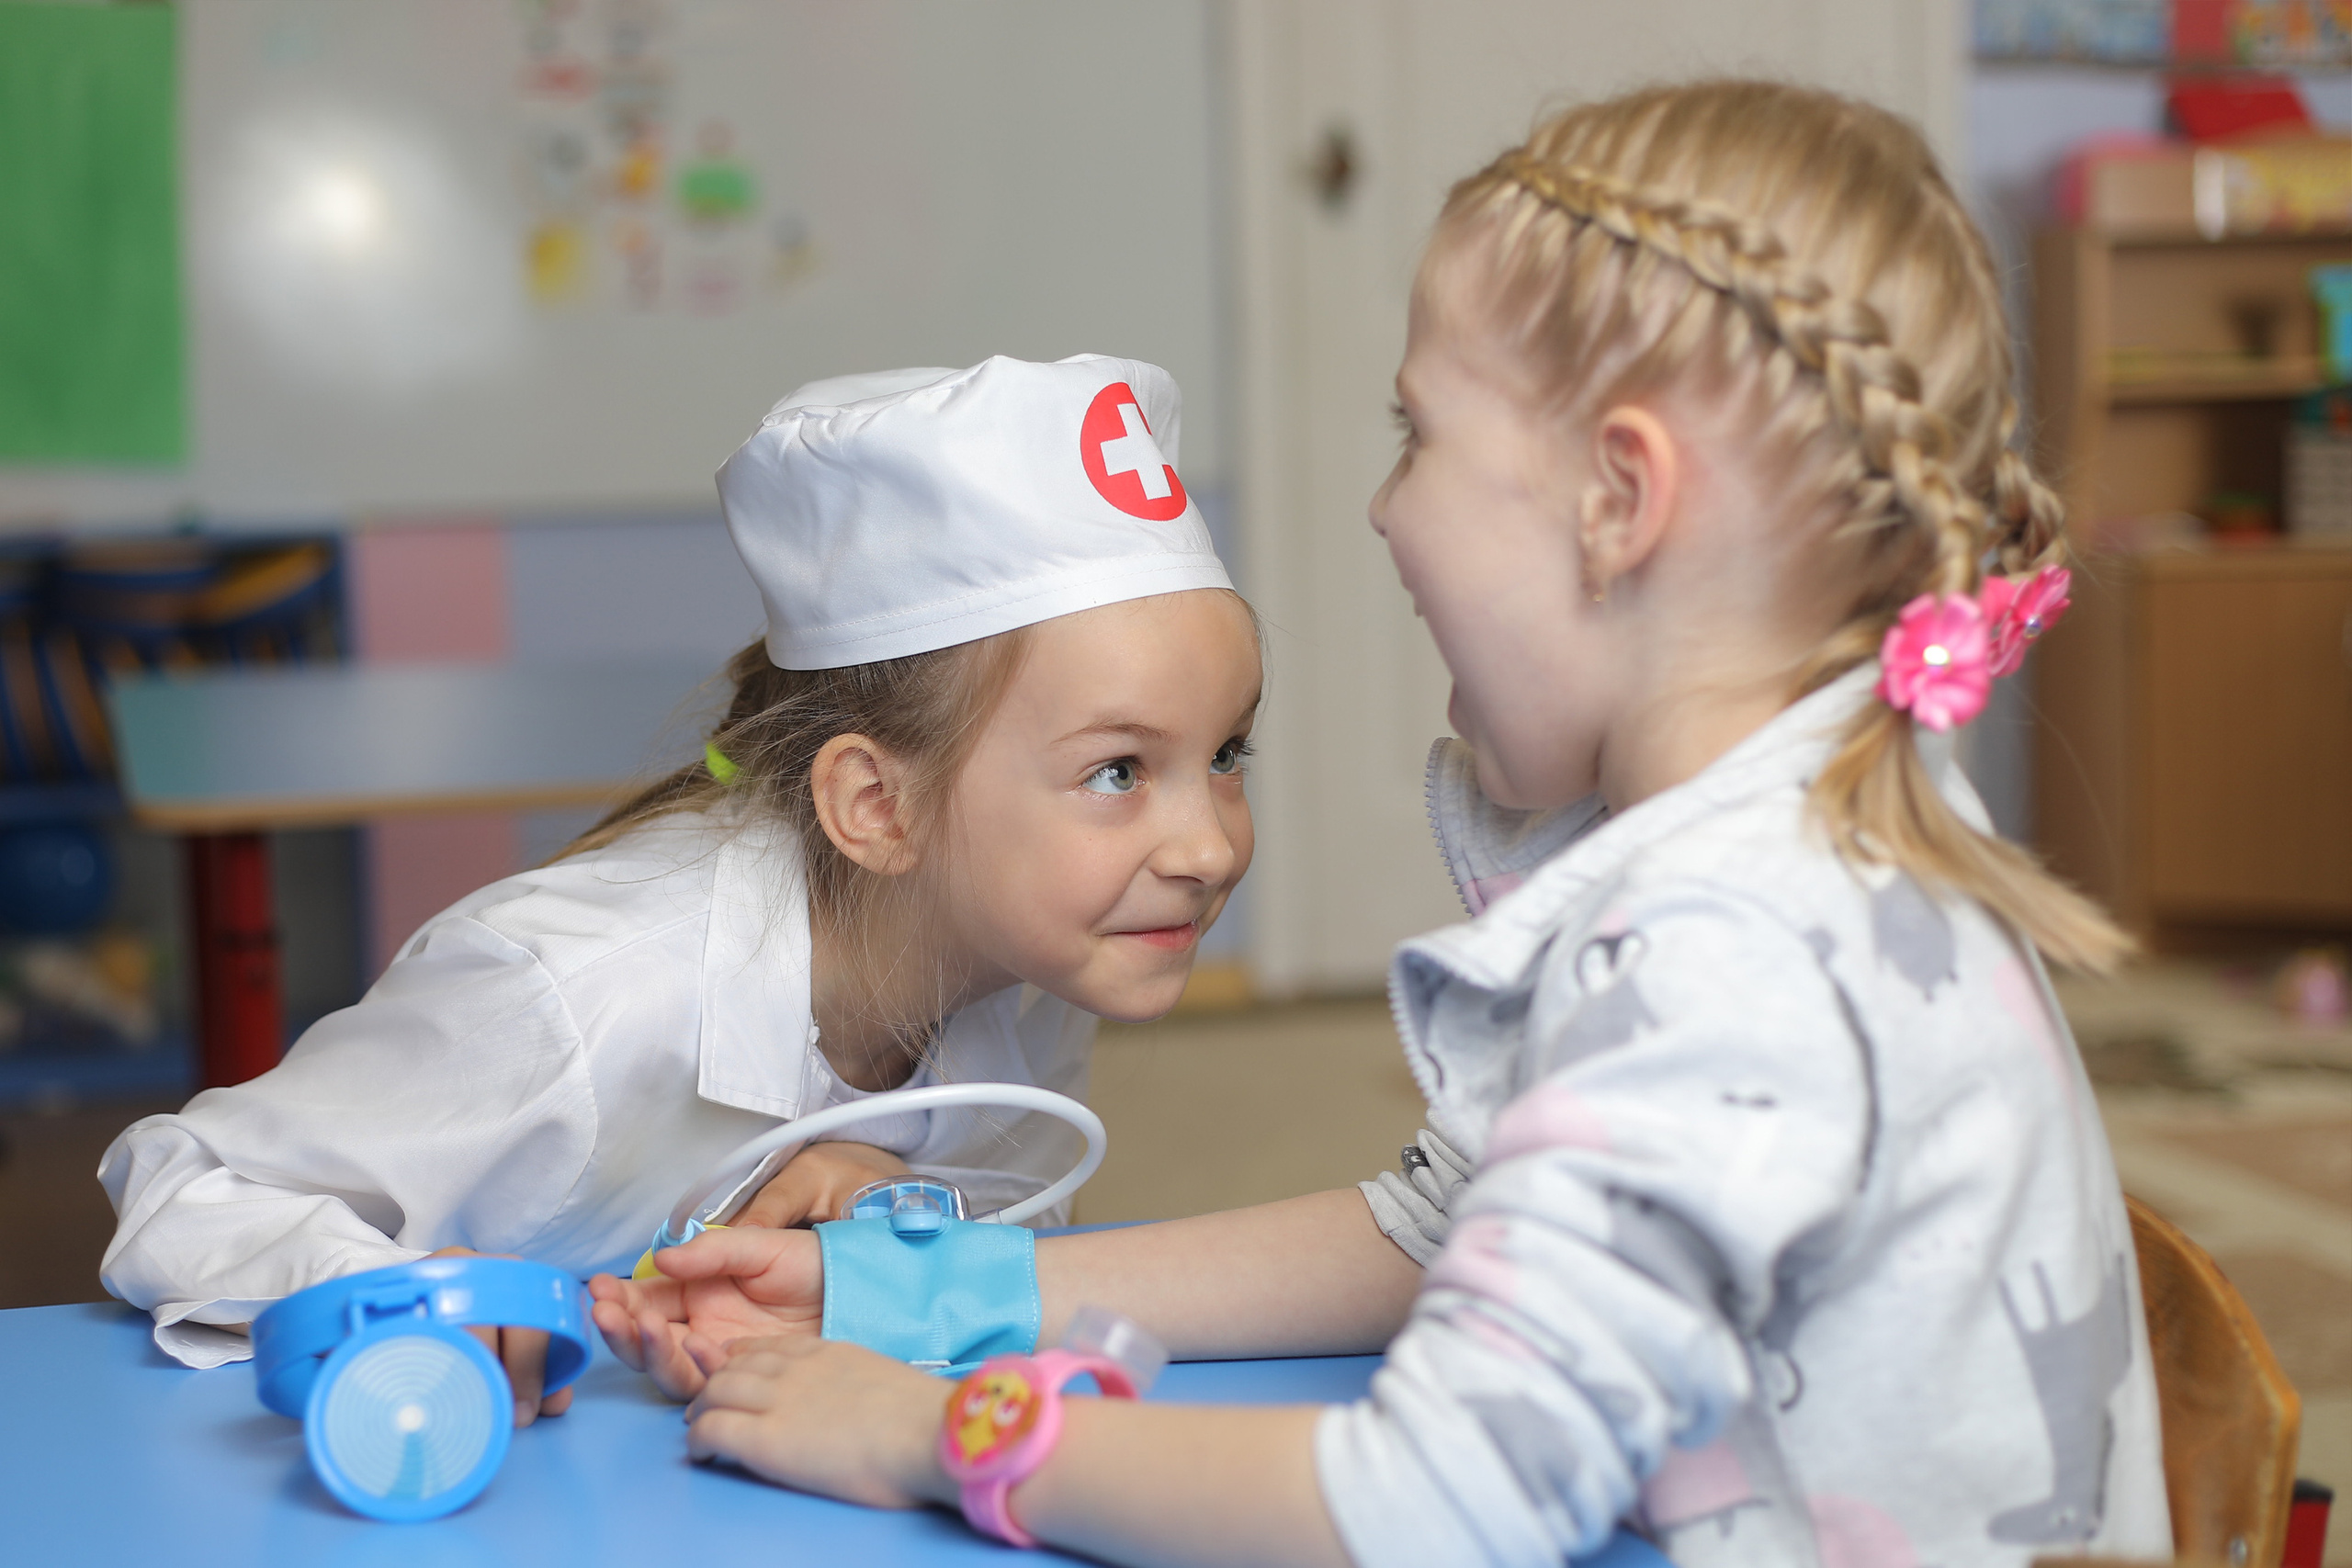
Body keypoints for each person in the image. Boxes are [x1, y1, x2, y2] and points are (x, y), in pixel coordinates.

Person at [587, 81, 2174, 1568]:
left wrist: (941, 1434)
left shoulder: (1730, 945)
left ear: (1620, 498)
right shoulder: (1835, 813)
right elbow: (1448, 1225)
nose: (1384, 505)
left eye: (1419, 433)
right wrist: (914, 1297)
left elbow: (1432, 1501)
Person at [98, 355, 1261, 1430]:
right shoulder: (574, 997)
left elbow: (1000, 1267)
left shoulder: (1033, 967)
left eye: (1225, 754)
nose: (1207, 848)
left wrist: (897, 1221)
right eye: (1118, 772)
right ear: (877, 806)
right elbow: (186, 1180)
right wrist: (398, 1298)